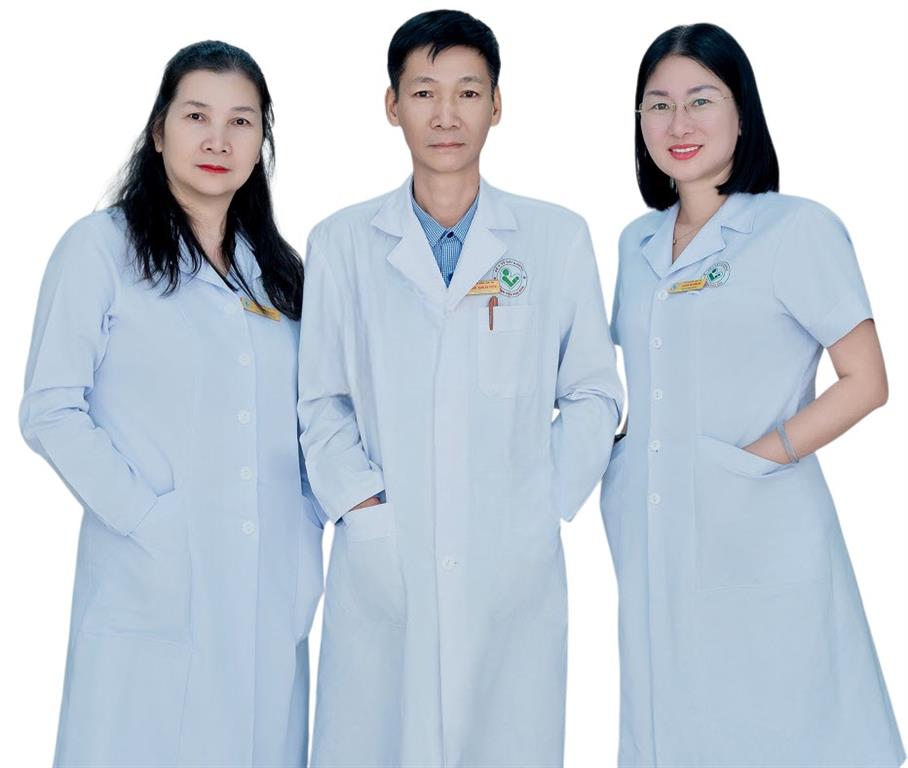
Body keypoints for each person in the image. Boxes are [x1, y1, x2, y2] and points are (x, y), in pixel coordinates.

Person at [298, 9, 624, 767]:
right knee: (380, 739)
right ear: (392, 105)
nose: (446, 115)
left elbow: (592, 391)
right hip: (386, 556)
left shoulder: (556, 238)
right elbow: (321, 400)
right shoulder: (341, 242)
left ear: (497, 105)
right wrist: (362, 506)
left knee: (505, 737)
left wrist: (541, 501)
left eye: (468, 92)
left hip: (511, 558)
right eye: (424, 93)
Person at [600, 22, 905, 767]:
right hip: (653, 526)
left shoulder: (796, 227)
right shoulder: (637, 242)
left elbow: (867, 381)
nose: (679, 123)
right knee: (673, 721)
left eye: (701, 100)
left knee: (781, 718)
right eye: (658, 105)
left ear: (743, 112)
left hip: (763, 519)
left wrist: (756, 459)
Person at [20, 40, 323, 767]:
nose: (219, 140)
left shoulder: (281, 274)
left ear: (262, 142)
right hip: (152, 577)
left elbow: (316, 416)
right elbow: (51, 407)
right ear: (159, 131)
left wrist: (309, 516)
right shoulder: (100, 249)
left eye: (241, 121)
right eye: (196, 116)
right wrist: (146, 518)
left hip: (270, 586)